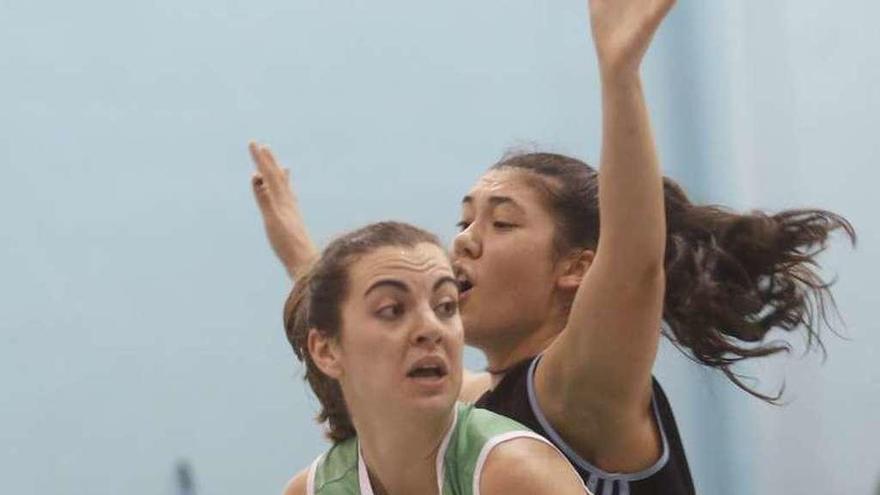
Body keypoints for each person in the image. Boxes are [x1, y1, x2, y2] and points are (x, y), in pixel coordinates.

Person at [251, 1, 855, 494]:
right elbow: (375, 359)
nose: (465, 241)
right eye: (463, 221)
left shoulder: (574, 388)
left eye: (501, 222)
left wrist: (621, 75)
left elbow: (635, 267)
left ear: (576, 268)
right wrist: (307, 264)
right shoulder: (481, 401)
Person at [279, 221, 589, 495]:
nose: (430, 328)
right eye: (392, 310)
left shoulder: (515, 472)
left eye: (445, 306)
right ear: (325, 351)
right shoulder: (312, 489)